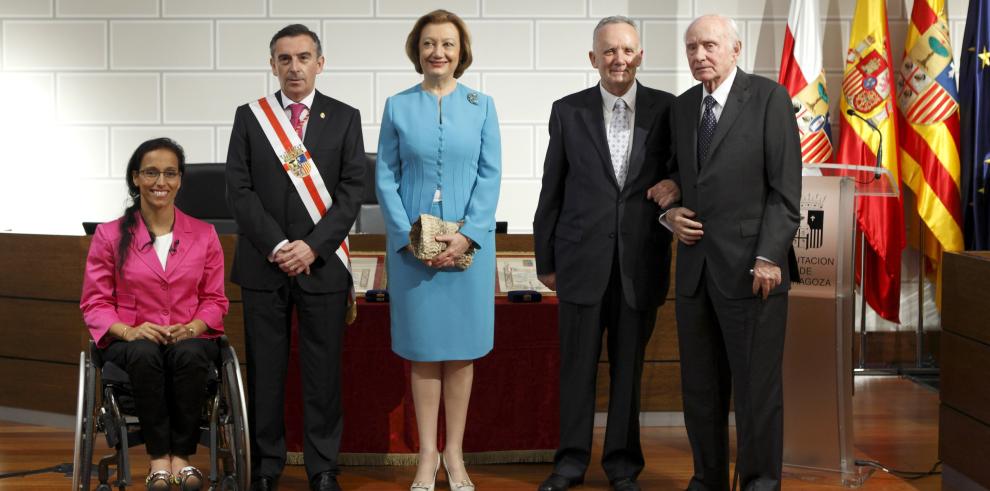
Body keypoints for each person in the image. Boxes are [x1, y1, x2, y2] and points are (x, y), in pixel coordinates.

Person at [533, 16, 679, 491]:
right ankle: (571, 463)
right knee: (575, 370)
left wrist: (675, 186)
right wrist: (545, 260)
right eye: (609, 52)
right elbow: (551, 188)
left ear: (641, 55)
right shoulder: (567, 110)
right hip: (579, 263)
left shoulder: (667, 110)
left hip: (640, 264)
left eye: (627, 50)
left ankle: (622, 467)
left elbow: (682, 176)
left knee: (628, 373)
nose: (619, 59)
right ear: (593, 59)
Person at [225, 24, 366, 491]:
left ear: (319, 64)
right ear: (272, 65)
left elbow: (351, 192)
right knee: (266, 370)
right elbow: (239, 191)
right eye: (284, 59)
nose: (294, 67)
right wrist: (279, 246)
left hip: (321, 265)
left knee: (322, 373)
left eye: (303, 57)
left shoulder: (345, 117)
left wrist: (312, 246)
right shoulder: (251, 117)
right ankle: (266, 466)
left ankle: (323, 466)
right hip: (265, 265)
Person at [664, 14, 802, 491]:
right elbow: (681, 180)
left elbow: (785, 193)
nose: (699, 55)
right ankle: (707, 480)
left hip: (752, 270)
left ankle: (760, 483)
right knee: (701, 391)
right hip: (695, 271)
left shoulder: (769, 99)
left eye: (709, 46)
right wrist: (669, 212)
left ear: (735, 49)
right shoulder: (682, 109)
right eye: (692, 48)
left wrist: (769, 256)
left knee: (755, 392)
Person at [375, 9, 500, 491]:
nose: (438, 52)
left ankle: (455, 453)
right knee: (424, 351)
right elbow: (385, 175)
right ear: (417, 49)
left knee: (462, 351)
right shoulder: (397, 105)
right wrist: (411, 235)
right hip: (413, 250)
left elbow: (490, 175)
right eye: (429, 43)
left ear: (461, 51)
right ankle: (427, 455)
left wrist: (468, 234)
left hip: (470, 247)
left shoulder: (482, 104)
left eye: (447, 44)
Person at [81, 138, 229, 491]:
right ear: (136, 178)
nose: (160, 182)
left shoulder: (205, 235)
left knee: (190, 354)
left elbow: (215, 299)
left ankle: (182, 457)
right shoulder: (108, 234)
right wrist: (129, 331)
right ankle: (158, 459)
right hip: (129, 340)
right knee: (146, 354)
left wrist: (193, 326)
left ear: (179, 180)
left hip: (188, 337)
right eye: (151, 172)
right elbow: (95, 302)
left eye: (169, 173)